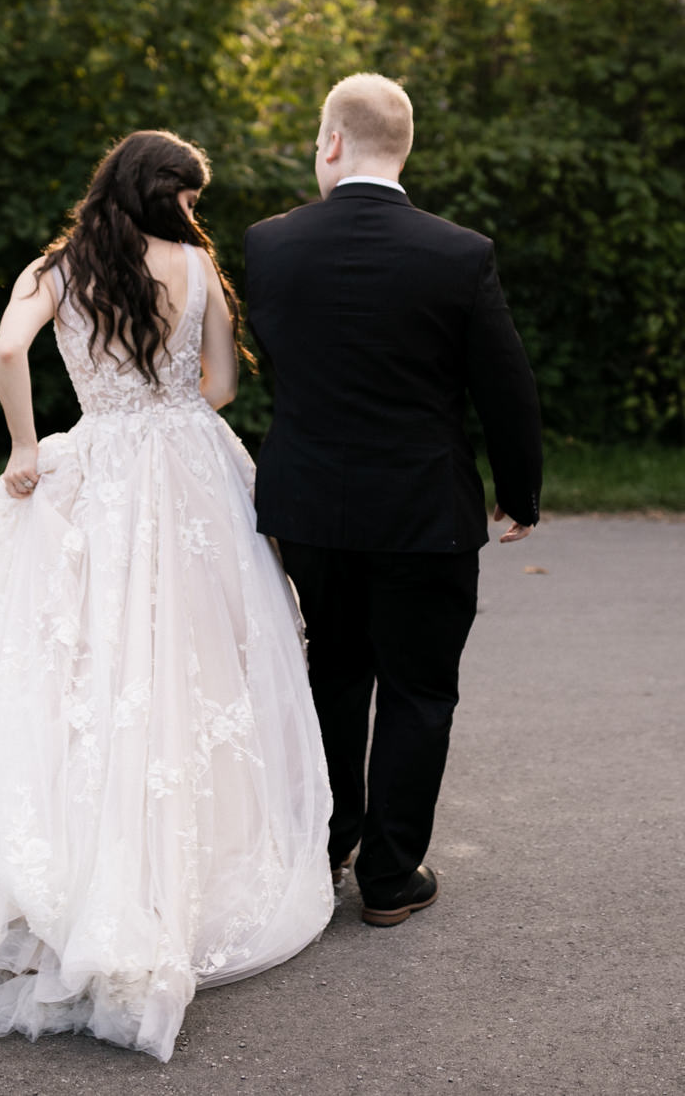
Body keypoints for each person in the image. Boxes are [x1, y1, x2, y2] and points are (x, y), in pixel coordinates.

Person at [0, 131, 334, 1063]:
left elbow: (7, 351)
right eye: (190, 196)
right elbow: (223, 385)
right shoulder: (198, 265)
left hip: (102, 461)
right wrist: (169, 404)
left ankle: (66, 835)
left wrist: (27, 445)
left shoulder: (58, 266)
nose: (195, 212)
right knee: (203, 648)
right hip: (190, 462)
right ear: (171, 196)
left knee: (77, 649)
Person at [244, 73, 543, 928]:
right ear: (402, 147)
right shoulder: (457, 252)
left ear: (332, 141)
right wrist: (519, 492)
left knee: (332, 672)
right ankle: (389, 874)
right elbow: (506, 387)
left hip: (307, 509)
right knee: (418, 688)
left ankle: (326, 842)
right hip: (421, 512)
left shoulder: (269, 245)